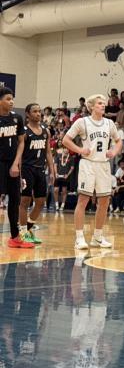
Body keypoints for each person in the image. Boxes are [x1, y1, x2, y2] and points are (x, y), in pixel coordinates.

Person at [62, 94, 122, 250]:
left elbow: (119, 141)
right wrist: (80, 149)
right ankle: (79, 238)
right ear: (92, 106)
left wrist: (114, 152)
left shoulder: (109, 123)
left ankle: (98, 237)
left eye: (104, 103)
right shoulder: (83, 122)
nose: (103, 105)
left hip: (103, 165)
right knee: (83, 200)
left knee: (104, 202)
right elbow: (66, 140)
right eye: (100, 103)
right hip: (88, 164)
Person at [0, 88, 33, 248]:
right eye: (7, 99)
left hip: (12, 164)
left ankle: (15, 237)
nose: (11, 101)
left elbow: (21, 142)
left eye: (12, 98)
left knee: (15, 200)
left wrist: (15, 163)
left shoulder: (17, 118)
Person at [18, 104, 55, 244]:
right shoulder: (24, 131)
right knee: (25, 201)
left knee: (40, 202)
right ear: (28, 114)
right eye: (35, 111)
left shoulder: (46, 131)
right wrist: (19, 172)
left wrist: (52, 169)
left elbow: (48, 152)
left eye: (39, 111)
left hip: (40, 169)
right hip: (27, 168)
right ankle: (22, 232)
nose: (38, 114)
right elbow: (20, 154)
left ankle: (27, 229)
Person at [54, 146, 74, 211]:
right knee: (56, 190)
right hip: (58, 175)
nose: (66, 149)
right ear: (63, 149)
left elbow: (72, 168)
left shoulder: (71, 158)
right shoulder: (58, 156)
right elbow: (55, 165)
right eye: (65, 148)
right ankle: (56, 205)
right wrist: (56, 173)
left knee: (64, 191)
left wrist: (67, 175)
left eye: (67, 148)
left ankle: (62, 205)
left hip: (65, 176)